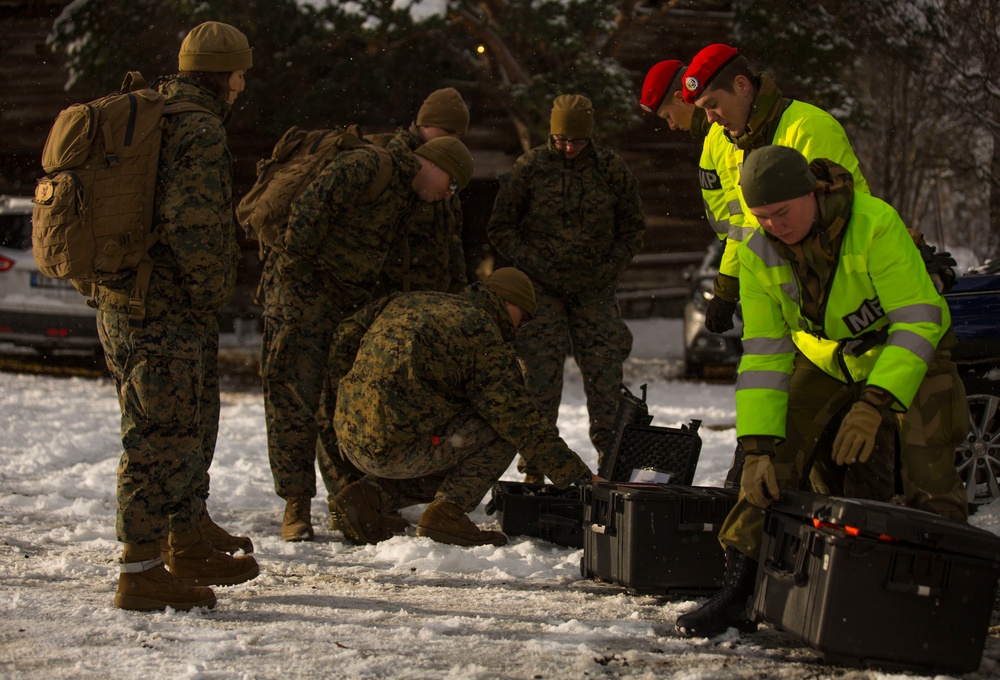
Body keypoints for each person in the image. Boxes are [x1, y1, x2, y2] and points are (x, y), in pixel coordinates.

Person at [674, 146, 969, 638]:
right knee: (770, 458)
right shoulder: (757, 249)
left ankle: (941, 600)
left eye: (784, 212)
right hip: (829, 357)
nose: (775, 226)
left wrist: (875, 404)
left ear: (813, 194)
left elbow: (919, 320)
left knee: (927, 465)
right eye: (763, 217)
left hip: (912, 350)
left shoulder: (874, 224)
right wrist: (758, 448)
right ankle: (738, 591)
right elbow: (765, 356)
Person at [97, 21, 259, 612]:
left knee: (183, 423)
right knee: (159, 435)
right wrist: (215, 289)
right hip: (163, 308)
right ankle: (139, 571)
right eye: (240, 73)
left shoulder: (156, 112)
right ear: (224, 74)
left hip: (131, 301)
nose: (243, 84)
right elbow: (194, 225)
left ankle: (184, 538)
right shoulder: (198, 129)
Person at [260, 131, 474, 542]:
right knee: (291, 399)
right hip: (300, 302)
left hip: (340, 306)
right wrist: (301, 285)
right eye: (450, 184)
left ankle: (347, 500)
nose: (449, 195)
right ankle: (295, 504)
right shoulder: (367, 166)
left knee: (336, 403)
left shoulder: (404, 196)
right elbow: (307, 213)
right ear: (435, 165)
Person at [327, 268, 599, 547]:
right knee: (501, 429)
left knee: (458, 437)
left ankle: (367, 497)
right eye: (524, 318)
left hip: (349, 440)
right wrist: (582, 478)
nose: (520, 329)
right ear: (506, 302)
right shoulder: (480, 331)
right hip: (398, 448)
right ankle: (446, 516)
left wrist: (347, 400)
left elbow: (344, 336)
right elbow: (520, 421)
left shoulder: (409, 300)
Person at [312, 88, 474, 523]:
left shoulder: (447, 173)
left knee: (410, 406)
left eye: (460, 133)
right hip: (375, 306)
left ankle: (378, 495)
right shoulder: (385, 163)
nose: (453, 138)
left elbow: (452, 247)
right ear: (422, 123)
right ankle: (344, 494)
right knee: (348, 399)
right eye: (445, 129)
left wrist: (456, 301)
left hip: (425, 311)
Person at [487, 94, 645, 481]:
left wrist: (608, 268)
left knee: (606, 378)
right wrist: (534, 265)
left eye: (577, 141)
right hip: (542, 293)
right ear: (551, 135)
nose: (569, 148)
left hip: (595, 290)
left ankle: (614, 465)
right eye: (561, 140)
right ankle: (535, 468)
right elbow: (500, 228)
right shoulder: (530, 168)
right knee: (538, 383)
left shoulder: (611, 170)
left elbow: (632, 229)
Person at [681, 44, 870, 335]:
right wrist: (728, 287)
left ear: (742, 86)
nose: (711, 119)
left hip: (844, 305)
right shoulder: (737, 142)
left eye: (713, 104)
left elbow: (851, 215)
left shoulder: (808, 128)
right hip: (791, 310)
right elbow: (744, 227)